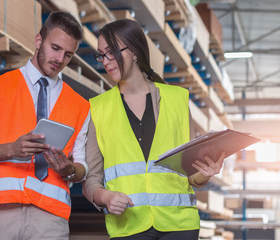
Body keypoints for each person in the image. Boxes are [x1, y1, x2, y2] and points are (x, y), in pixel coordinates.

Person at [82, 19, 226, 240]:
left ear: (135, 51)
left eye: (111, 53)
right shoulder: (98, 109)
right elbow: (91, 181)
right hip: (128, 227)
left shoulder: (176, 100)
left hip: (179, 225)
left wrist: (205, 174)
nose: (106, 62)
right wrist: (105, 196)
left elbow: (189, 172)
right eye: (101, 55)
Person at [0, 11, 90, 239]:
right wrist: (11, 149)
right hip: (0, 211)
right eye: (55, 48)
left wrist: (69, 170)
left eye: (68, 54)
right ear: (38, 40)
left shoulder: (81, 106)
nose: (60, 59)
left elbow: (82, 168)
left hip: (51, 217)